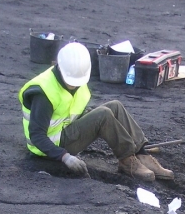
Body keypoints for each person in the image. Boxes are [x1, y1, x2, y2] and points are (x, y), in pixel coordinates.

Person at [18, 42, 173, 182]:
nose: (74, 85)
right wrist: (65, 157)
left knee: (115, 106)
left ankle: (141, 152)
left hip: (64, 131)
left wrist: (89, 118)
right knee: (103, 115)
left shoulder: (76, 78)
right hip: (49, 148)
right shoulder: (44, 93)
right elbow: (37, 135)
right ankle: (127, 161)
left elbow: (69, 110)